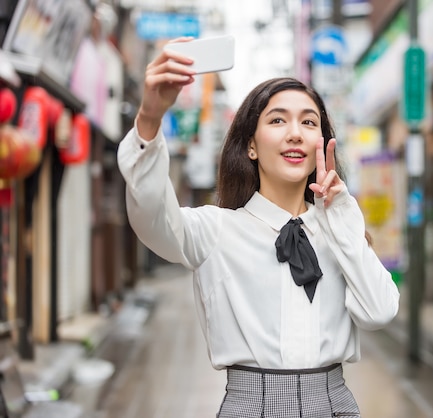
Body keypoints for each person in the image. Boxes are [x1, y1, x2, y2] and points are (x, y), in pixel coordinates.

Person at [117, 37, 400, 418]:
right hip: (250, 405)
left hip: (335, 405)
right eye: (278, 119)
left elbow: (380, 311)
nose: (295, 133)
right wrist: (150, 120)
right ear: (250, 145)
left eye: (309, 122)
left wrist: (343, 218)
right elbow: (151, 218)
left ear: (322, 141)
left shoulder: (341, 232)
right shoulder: (216, 229)